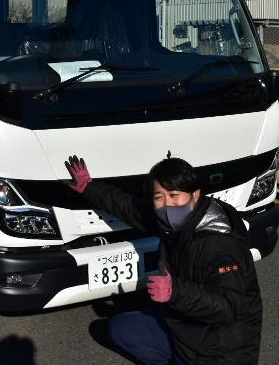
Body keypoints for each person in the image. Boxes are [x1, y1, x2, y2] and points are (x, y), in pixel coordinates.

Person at [64, 155, 263, 365]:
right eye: (159, 197)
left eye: (175, 195)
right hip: (185, 327)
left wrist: (174, 292)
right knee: (121, 328)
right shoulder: (174, 221)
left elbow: (229, 307)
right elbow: (130, 207)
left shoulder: (220, 244)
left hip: (221, 349)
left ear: (195, 194)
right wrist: (89, 187)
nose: (167, 204)